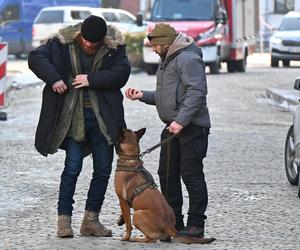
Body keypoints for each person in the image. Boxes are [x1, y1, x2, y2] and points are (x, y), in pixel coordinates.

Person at [28, 15, 131, 238]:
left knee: (103, 171)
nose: (89, 45)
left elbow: (121, 74)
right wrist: (54, 78)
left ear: (103, 39)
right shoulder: (61, 43)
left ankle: (91, 221)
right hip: (73, 117)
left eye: (94, 43)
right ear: (79, 35)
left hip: (104, 119)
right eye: (85, 41)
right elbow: (36, 58)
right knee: (72, 169)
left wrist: (91, 80)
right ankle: (63, 221)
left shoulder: (115, 48)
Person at [125, 23, 210, 238]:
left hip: (191, 128)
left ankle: (196, 225)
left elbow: (197, 92)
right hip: (173, 128)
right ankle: (174, 222)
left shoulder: (188, 59)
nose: (153, 50)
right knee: (167, 175)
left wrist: (181, 121)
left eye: (155, 46)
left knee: (191, 175)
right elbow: (167, 97)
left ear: (165, 43)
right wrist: (142, 95)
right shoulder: (167, 60)